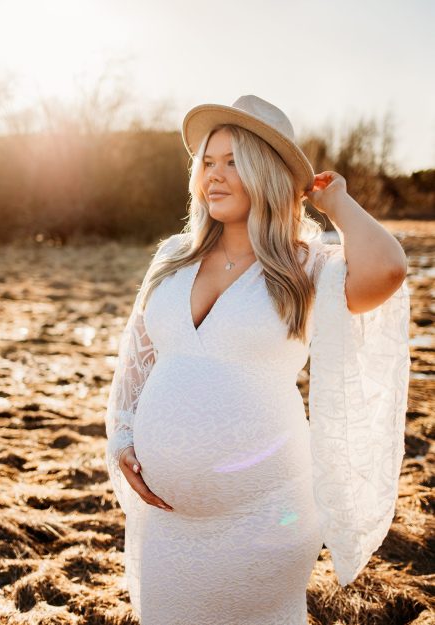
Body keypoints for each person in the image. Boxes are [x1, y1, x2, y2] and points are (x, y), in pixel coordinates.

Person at [104, 95, 411, 625]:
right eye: (207, 162)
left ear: (266, 173)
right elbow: (139, 356)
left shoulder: (308, 266)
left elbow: (387, 269)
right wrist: (124, 437)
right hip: (166, 523)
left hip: (264, 517)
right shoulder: (173, 256)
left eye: (234, 162)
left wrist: (336, 204)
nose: (214, 176)